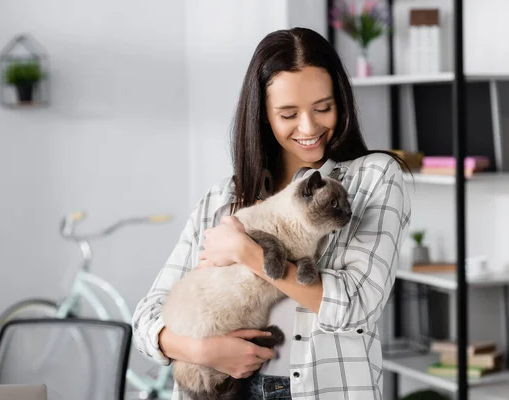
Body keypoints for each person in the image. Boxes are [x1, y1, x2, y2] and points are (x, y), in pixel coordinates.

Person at [132, 27, 412, 400]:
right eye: (288, 113)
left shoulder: (373, 177)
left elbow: (356, 307)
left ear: (340, 103)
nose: (309, 127)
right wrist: (203, 352)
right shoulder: (224, 199)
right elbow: (147, 317)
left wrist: (245, 251)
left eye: (323, 108)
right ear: (263, 115)